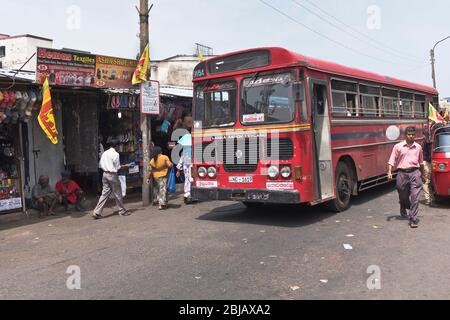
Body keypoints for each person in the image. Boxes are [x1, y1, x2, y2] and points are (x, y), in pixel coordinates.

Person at [387, 126, 424, 228]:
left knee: (415, 197)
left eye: (412, 135)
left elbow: (421, 163)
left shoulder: (418, 147)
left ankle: (413, 218)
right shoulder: (398, 146)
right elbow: (391, 160)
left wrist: (423, 175)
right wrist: (389, 171)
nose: (411, 136)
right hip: (402, 174)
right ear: (405, 135)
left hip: (415, 173)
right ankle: (403, 205)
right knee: (402, 193)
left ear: (414, 135)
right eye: (409, 134)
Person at [93, 139, 130, 219]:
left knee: (104, 193)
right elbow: (117, 167)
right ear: (116, 146)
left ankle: (97, 211)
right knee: (118, 193)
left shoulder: (105, 153)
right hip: (112, 175)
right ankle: (122, 210)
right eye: (118, 146)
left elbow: (100, 164)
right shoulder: (116, 154)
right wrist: (125, 166)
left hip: (104, 174)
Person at [422, 134, 434, 207]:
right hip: (427, 162)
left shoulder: (428, 140)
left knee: (428, 181)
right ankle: (428, 199)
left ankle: (430, 198)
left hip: (429, 161)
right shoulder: (428, 141)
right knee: (426, 181)